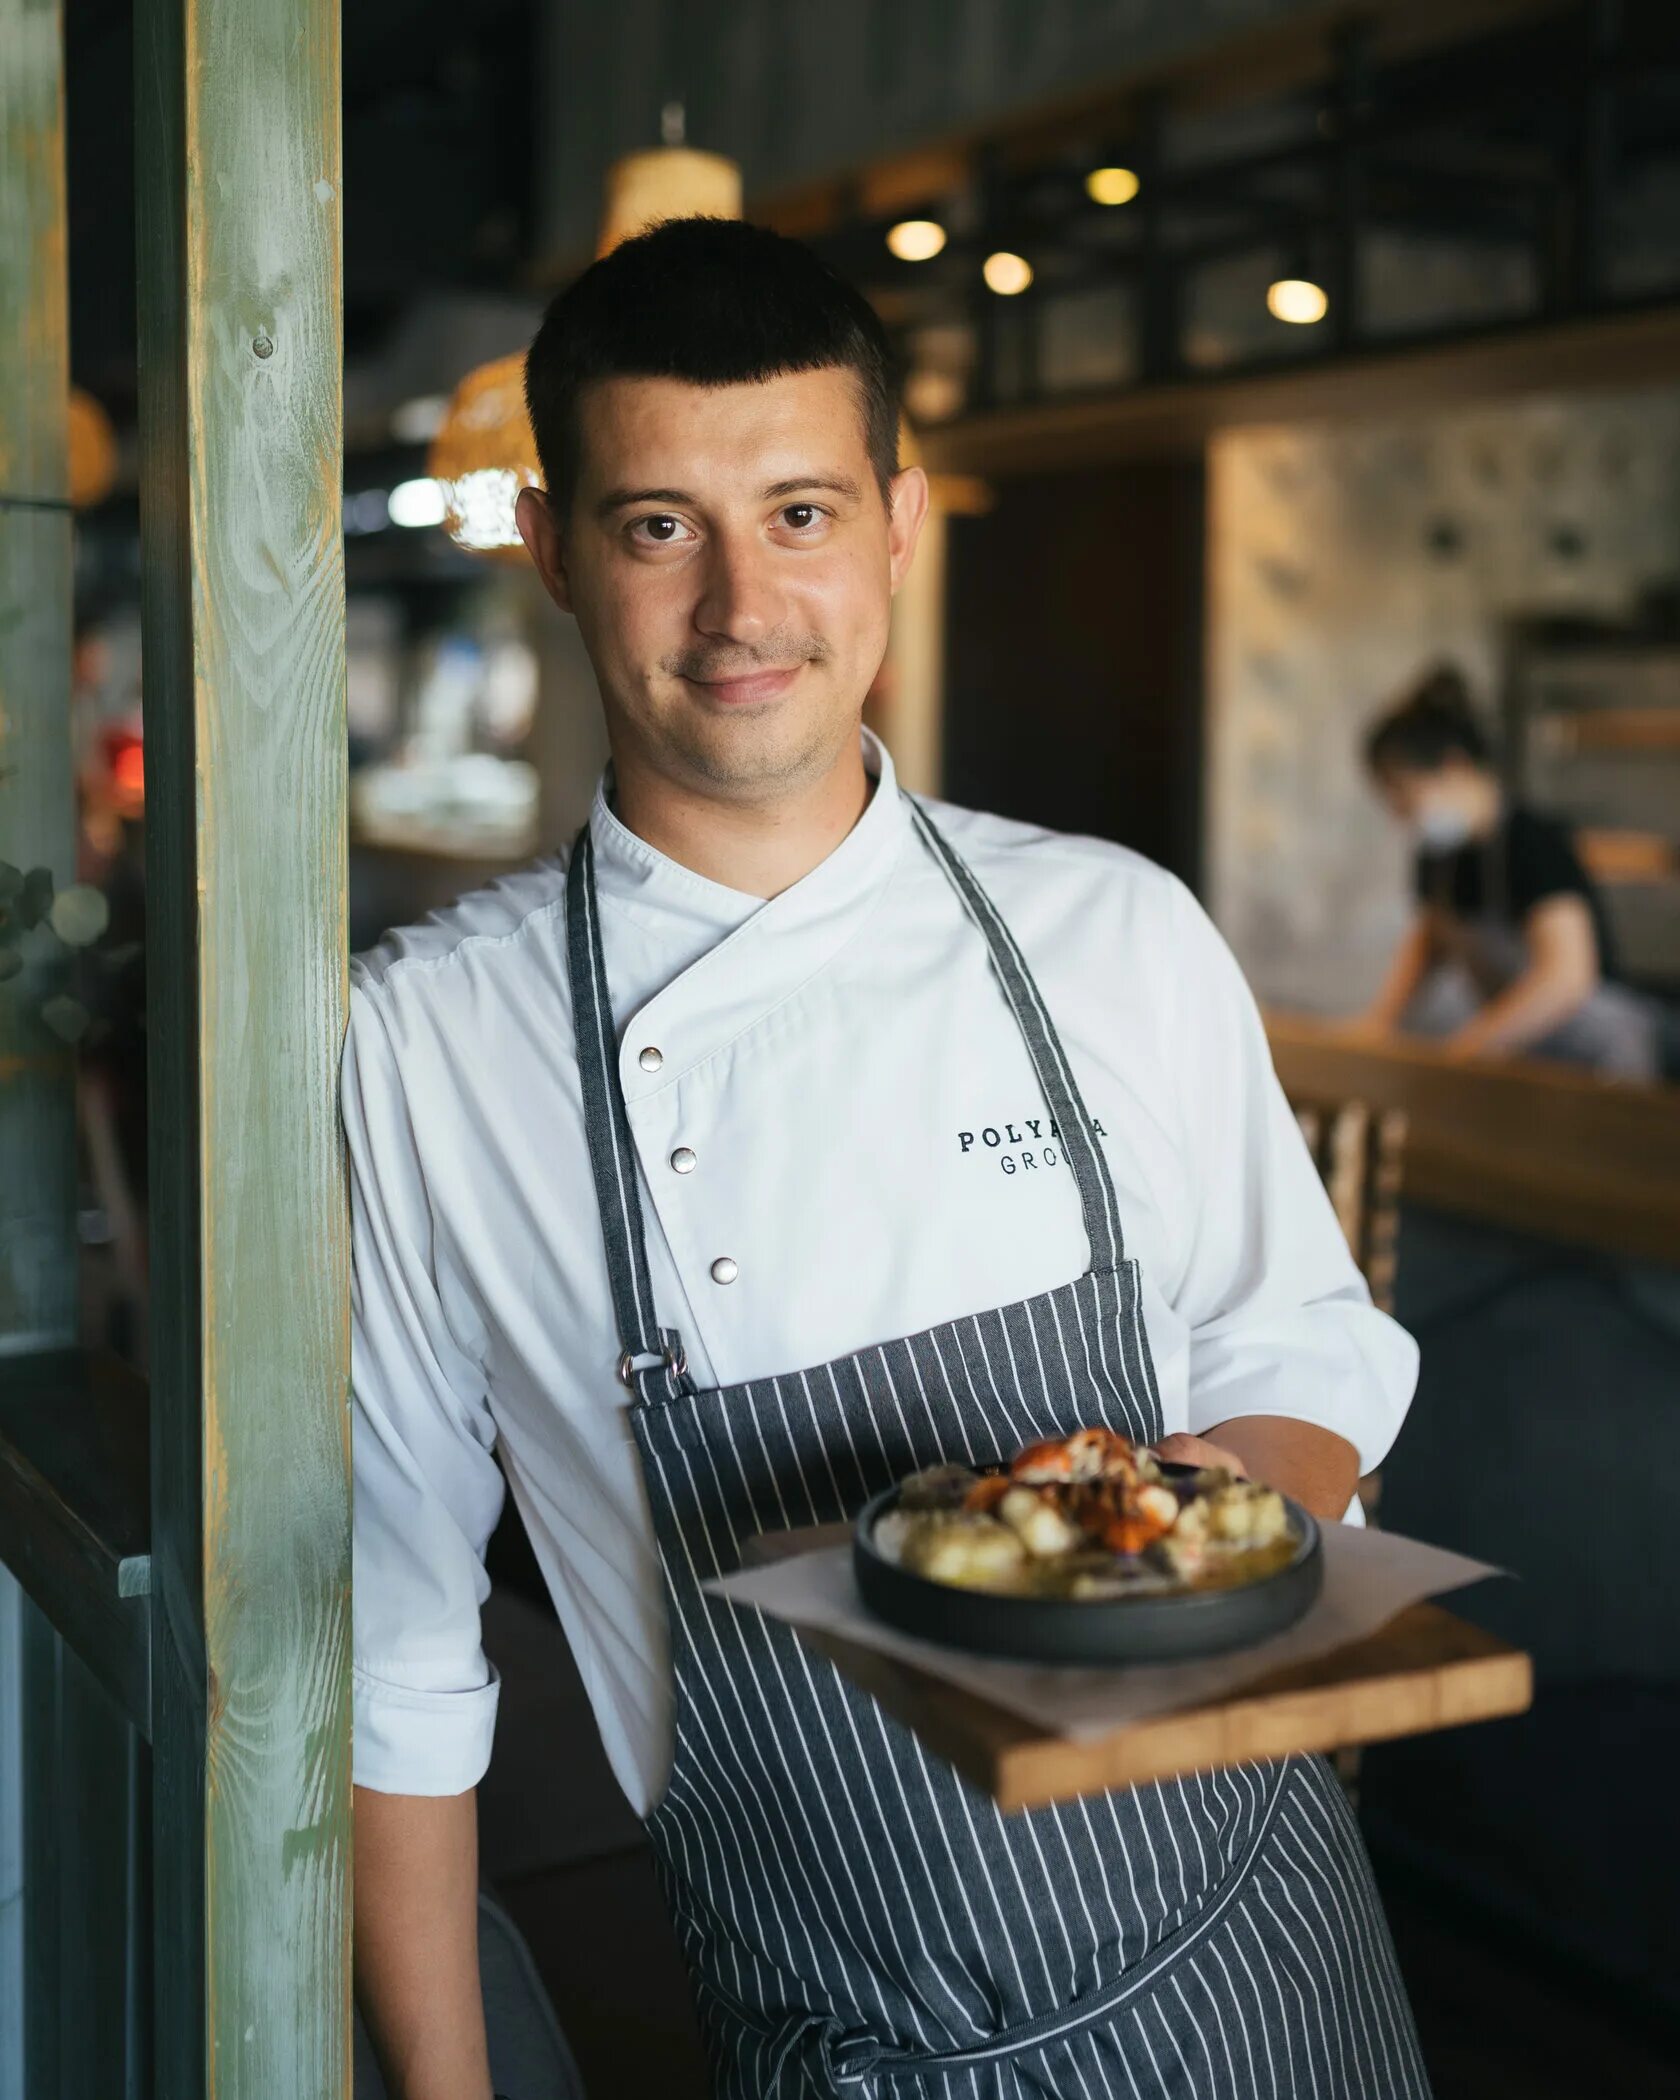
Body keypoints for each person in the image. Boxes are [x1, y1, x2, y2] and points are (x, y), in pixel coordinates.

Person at [348, 217, 1428, 2100]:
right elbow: (389, 1642)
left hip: (1268, 1965)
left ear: (900, 523)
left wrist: (1163, 1529)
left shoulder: (1116, 929)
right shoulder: (430, 1041)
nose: (742, 610)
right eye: (658, 524)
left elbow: (1297, 1346)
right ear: (550, 549)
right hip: (854, 2044)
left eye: (800, 514)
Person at [1353, 665, 1659, 1079]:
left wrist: (1471, 1047)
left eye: (1404, 793)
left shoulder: (1532, 842)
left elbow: (1567, 976)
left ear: (1453, 766)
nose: (1400, 812)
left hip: (1600, 1054)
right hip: (1523, 1051)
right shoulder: (1439, 856)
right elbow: (1429, 943)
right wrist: (1378, 1025)